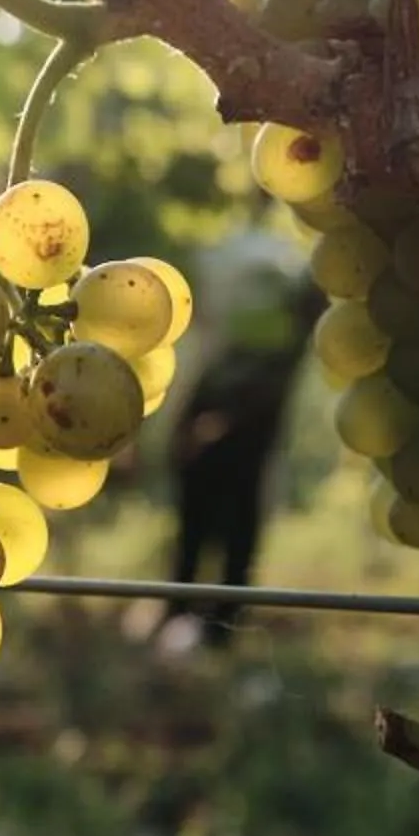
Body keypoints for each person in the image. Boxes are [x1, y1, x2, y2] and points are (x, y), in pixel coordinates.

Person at [160, 230, 322, 647]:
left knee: (234, 530)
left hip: (241, 435)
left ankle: (215, 629)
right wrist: (186, 425)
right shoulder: (250, 325)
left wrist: (215, 423)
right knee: (200, 527)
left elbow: (263, 390)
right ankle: (184, 616)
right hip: (216, 429)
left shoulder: (283, 340)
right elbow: (210, 367)